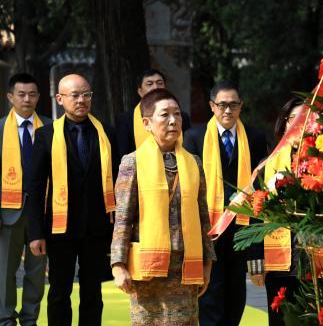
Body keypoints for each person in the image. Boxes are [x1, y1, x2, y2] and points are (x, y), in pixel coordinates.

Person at [111, 88, 216, 325]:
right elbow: (123, 219)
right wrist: (118, 265)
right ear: (147, 123)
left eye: (177, 114)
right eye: (164, 115)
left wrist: (207, 263)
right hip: (148, 270)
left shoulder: (193, 162)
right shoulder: (132, 161)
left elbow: (202, 215)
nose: (172, 121)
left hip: (185, 267)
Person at [27, 74, 118, 326]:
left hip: (97, 228)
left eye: (86, 95)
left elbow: (119, 181)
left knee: (93, 293)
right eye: (75, 95)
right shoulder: (45, 135)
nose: (81, 100)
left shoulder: (105, 133)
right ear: (60, 99)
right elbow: (34, 187)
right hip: (59, 229)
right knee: (59, 293)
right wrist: (35, 232)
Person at [183, 80, 267, 326]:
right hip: (210, 230)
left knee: (236, 295)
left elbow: (260, 188)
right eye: (222, 105)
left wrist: (257, 245)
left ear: (241, 106)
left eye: (233, 105)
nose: (227, 110)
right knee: (210, 296)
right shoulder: (194, 137)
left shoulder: (255, 137)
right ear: (212, 106)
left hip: (243, 229)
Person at [247, 97, 304, 326]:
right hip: (279, 263)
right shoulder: (266, 166)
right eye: (294, 119)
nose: (300, 125)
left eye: (306, 119)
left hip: (316, 262)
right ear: (283, 124)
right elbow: (253, 215)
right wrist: (255, 265)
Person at [0, 73, 51, 326]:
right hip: (8, 213)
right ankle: (6, 319)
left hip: (41, 213)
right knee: (4, 273)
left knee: (36, 272)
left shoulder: (52, 127)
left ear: (39, 97)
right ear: (10, 97)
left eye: (32, 94)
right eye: (21, 94)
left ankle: (30, 319)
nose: (27, 99)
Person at [116, 69, 191, 157]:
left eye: (159, 83)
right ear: (140, 91)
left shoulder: (181, 117)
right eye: (149, 84)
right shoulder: (126, 119)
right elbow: (123, 151)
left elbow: (188, 148)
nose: (155, 87)